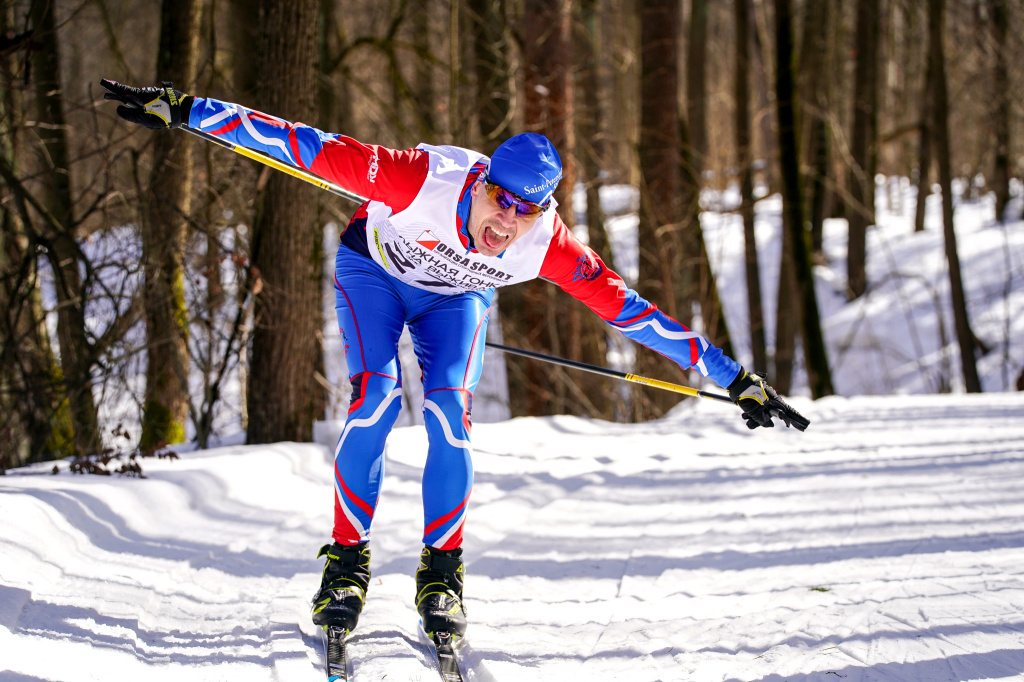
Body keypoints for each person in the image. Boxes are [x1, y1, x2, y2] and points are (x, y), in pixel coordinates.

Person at [100, 79, 807, 641]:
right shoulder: (418, 179)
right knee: (375, 397)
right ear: (482, 184)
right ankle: (347, 563)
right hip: (373, 275)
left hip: (454, 304)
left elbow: (629, 307)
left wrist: (734, 378)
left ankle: (442, 575)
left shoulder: (545, 244)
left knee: (448, 414)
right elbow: (298, 144)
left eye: (525, 213)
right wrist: (187, 109)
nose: (506, 223)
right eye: (500, 202)